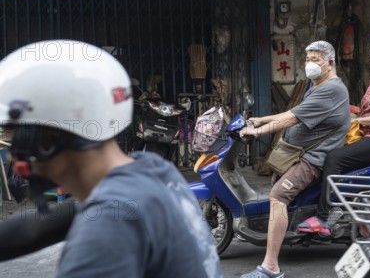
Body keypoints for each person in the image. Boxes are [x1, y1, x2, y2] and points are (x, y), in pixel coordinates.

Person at [0, 40, 222, 278]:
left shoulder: (105, 232)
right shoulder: (152, 171)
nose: (12, 154)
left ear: (49, 138)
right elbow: (39, 227)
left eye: (15, 137)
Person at [239, 40, 350, 278]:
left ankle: (270, 267)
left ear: (329, 63)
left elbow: (292, 120)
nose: (309, 64)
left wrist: (258, 131)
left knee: (278, 196)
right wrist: (261, 119)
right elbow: (293, 112)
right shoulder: (316, 85)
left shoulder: (332, 89)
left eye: (314, 59)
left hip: (313, 159)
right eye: (307, 59)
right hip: (300, 154)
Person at [297, 32, 370, 235]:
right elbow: (368, 110)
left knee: (334, 159)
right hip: (367, 133)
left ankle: (323, 217)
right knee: (326, 150)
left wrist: (355, 120)